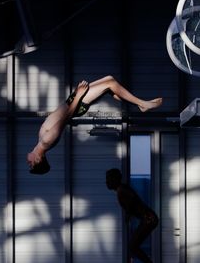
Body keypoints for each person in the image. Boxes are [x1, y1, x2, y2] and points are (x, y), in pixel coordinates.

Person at [27, 75, 163, 174]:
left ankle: (139, 104)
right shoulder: (46, 141)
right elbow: (67, 116)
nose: (28, 162)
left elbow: (61, 113)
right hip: (77, 104)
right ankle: (142, 104)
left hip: (73, 101)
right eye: (31, 165)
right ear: (39, 159)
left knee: (110, 87)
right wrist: (79, 95)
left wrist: (75, 94)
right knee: (110, 82)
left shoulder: (42, 141)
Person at [106, 168, 159, 263]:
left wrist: (128, 212)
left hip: (149, 218)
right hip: (148, 219)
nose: (106, 182)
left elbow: (132, 197)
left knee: (132, 246)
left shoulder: (122, 189)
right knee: (133, 245)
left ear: (115, 179)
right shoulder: (120, 190)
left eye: (108, 179)